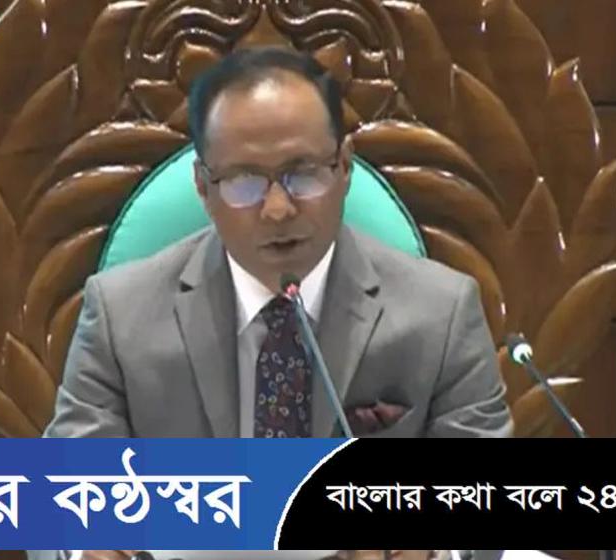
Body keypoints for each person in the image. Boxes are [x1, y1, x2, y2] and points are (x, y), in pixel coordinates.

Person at [44, 46, 512, 439]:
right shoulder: (119, 317)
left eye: (302, 174)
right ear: (203, 187)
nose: (277, 209)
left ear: (344, 168)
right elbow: (70, 492)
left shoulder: (442, 315)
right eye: (244, 181)